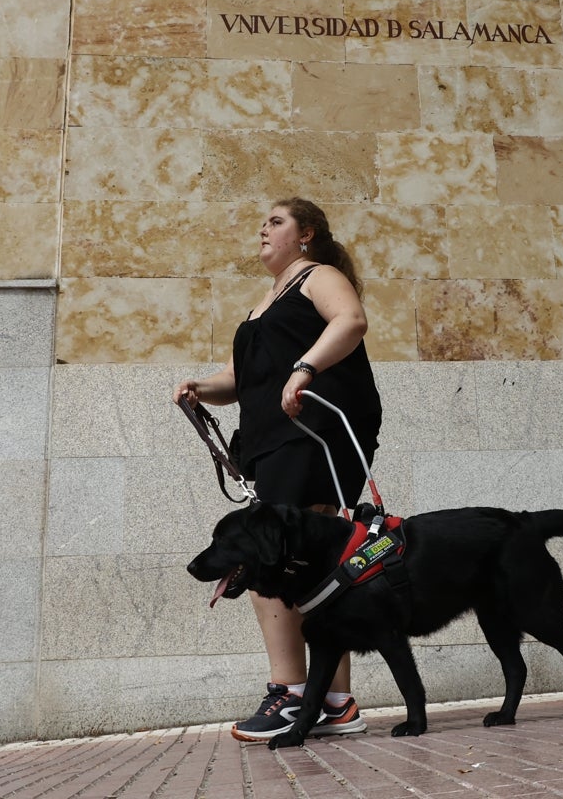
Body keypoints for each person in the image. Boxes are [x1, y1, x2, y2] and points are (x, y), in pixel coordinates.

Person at [175, 197, 382, 742]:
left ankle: (290, 694)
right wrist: (200, 389)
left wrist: (306, 368)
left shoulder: (320, 277)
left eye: (276, 222)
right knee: (311, 563)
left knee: (268, 554)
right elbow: (235, 382)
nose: (262, 230)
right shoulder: (261, 305)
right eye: (262, 222)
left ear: (306, 233)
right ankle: (334, 701)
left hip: (313, 431)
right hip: (270, 440)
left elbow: (352, 321)